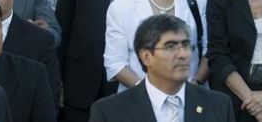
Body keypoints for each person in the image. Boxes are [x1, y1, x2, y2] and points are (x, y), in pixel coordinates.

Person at [89, 14, 235, 122]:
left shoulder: (219, 105)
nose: (182, 54)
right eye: (170, 47)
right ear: (146, 57)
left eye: (186, 45)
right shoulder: (109, 112)